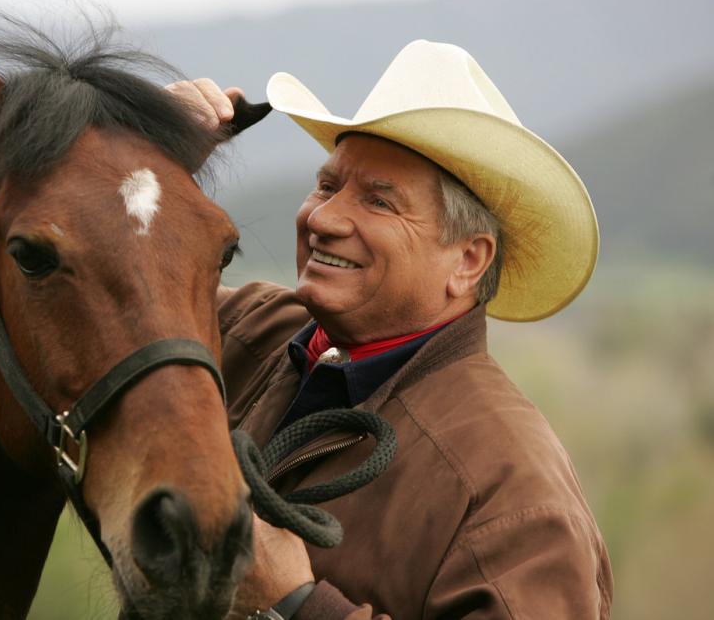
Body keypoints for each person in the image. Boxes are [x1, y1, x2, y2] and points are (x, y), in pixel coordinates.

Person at [168, 40, 612, 619]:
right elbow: (94, 299)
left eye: (379, 202)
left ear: (468, 261)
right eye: (328, 187)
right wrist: (145, 153)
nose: (323, 218)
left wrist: (297, 606)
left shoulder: (513, 491)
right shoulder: (252, 329)